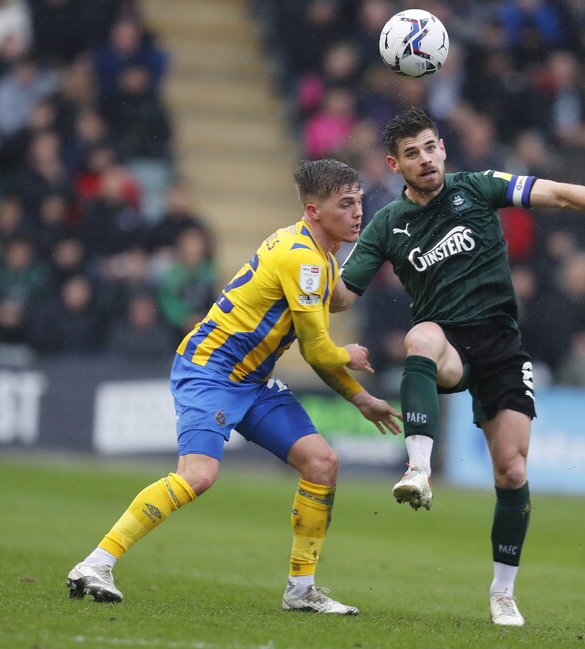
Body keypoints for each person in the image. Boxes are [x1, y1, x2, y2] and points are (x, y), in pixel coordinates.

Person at [333, 108, 585, 626]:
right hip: (449, 343)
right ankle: (418, 469)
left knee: (511, 471)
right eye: (410, 154)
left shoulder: (479, 187)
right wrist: (306, 256)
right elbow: (339, 298)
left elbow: (557, 193)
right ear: (395, 166)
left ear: (443, 147)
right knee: (418, 337)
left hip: (502, 345)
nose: (424, 160)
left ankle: (502, 592)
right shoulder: (386, 225)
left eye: (429, 147)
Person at [67, 159, 402, 614]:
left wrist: (361, 399)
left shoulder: (316, 254)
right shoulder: (302, 258)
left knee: (322, 464)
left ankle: (301, 590)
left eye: (359, 201)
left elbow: (338, 299)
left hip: (253, 381)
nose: (357, 211)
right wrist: (349, 357)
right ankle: (96, 563)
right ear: (313, 210)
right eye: (345, 204)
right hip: (210, 371)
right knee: (198, 476)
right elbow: (319, 350)